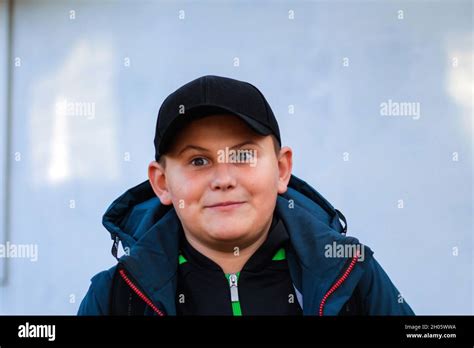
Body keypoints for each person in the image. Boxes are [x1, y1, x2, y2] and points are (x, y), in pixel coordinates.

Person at [78, 75, 415, 316]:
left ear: (282, 169)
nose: (223, 179)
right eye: (198, 160)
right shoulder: (115, 297)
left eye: (243, 155)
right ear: (162, 182)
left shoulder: (352, 274)